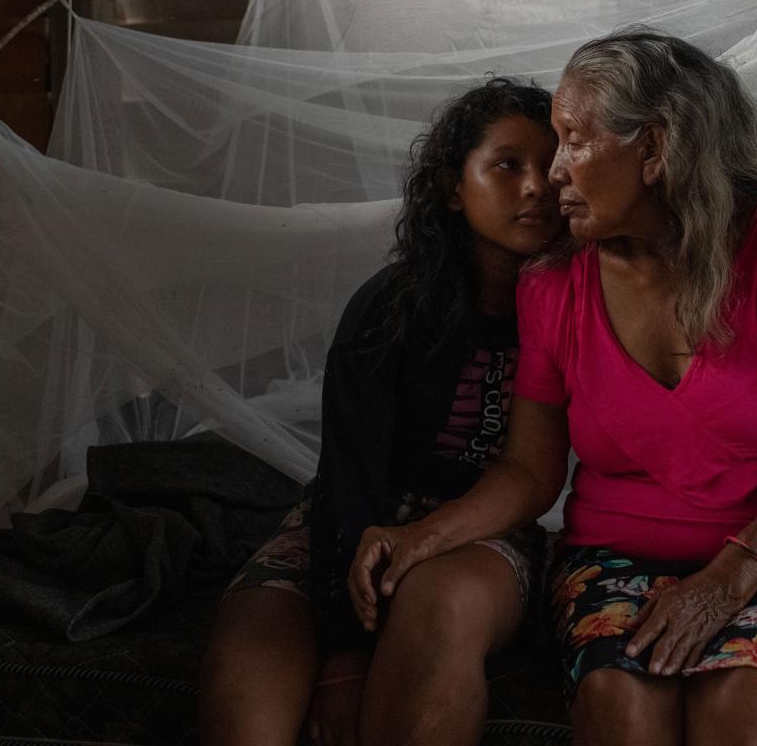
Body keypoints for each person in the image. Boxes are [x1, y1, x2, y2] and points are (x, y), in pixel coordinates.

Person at [360, 29, 757, 746]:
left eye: (572, 140)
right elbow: (530, 471)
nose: (553, 173)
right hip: (617, 554)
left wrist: (725, 582)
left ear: (656, 149)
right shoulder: (551, 285)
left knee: (743, 698)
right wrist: (423, 537)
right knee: (618, 702)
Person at [198, 77, 562, 746]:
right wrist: (345, 650)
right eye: (507, 165)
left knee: (440, 606)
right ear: (454, 188)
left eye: (550, 165)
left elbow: (535, 477)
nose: (536, 185)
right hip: (353, 513)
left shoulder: (583, 306)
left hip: (488, 528)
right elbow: (348, 472)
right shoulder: (391, 307)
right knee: (251, 650)